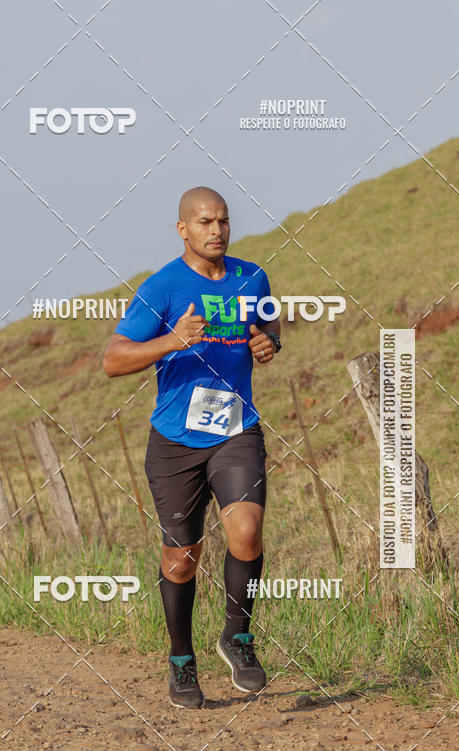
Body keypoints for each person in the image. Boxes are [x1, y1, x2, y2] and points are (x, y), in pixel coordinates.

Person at [103, 186, 281, 708]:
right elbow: (113, 359)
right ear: (183, 229)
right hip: (175, 441)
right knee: (182, 558)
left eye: (223, 221)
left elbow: (268, 321)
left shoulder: (253, 277)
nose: (217, 230)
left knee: (246, 532)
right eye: (205, 222)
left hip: (235, 429)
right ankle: (182, 662)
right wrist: (171, 341)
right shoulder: (160, 288)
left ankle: (238, 637)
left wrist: (269, 341)